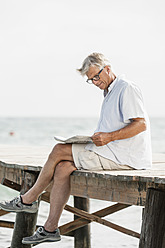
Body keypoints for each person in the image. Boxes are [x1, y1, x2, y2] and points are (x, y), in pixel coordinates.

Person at [0, 52, 152, 245]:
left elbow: (140, 125)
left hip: (124, 157)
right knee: (63, 167)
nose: (95, 82)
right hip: (110, 151)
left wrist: (108, 137)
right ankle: (50, 229)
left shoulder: (126, 88)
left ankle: (27, 200)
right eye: (91, 80)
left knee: (58, 150)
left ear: (107, 68)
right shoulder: (110, 92)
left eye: (96, 76)